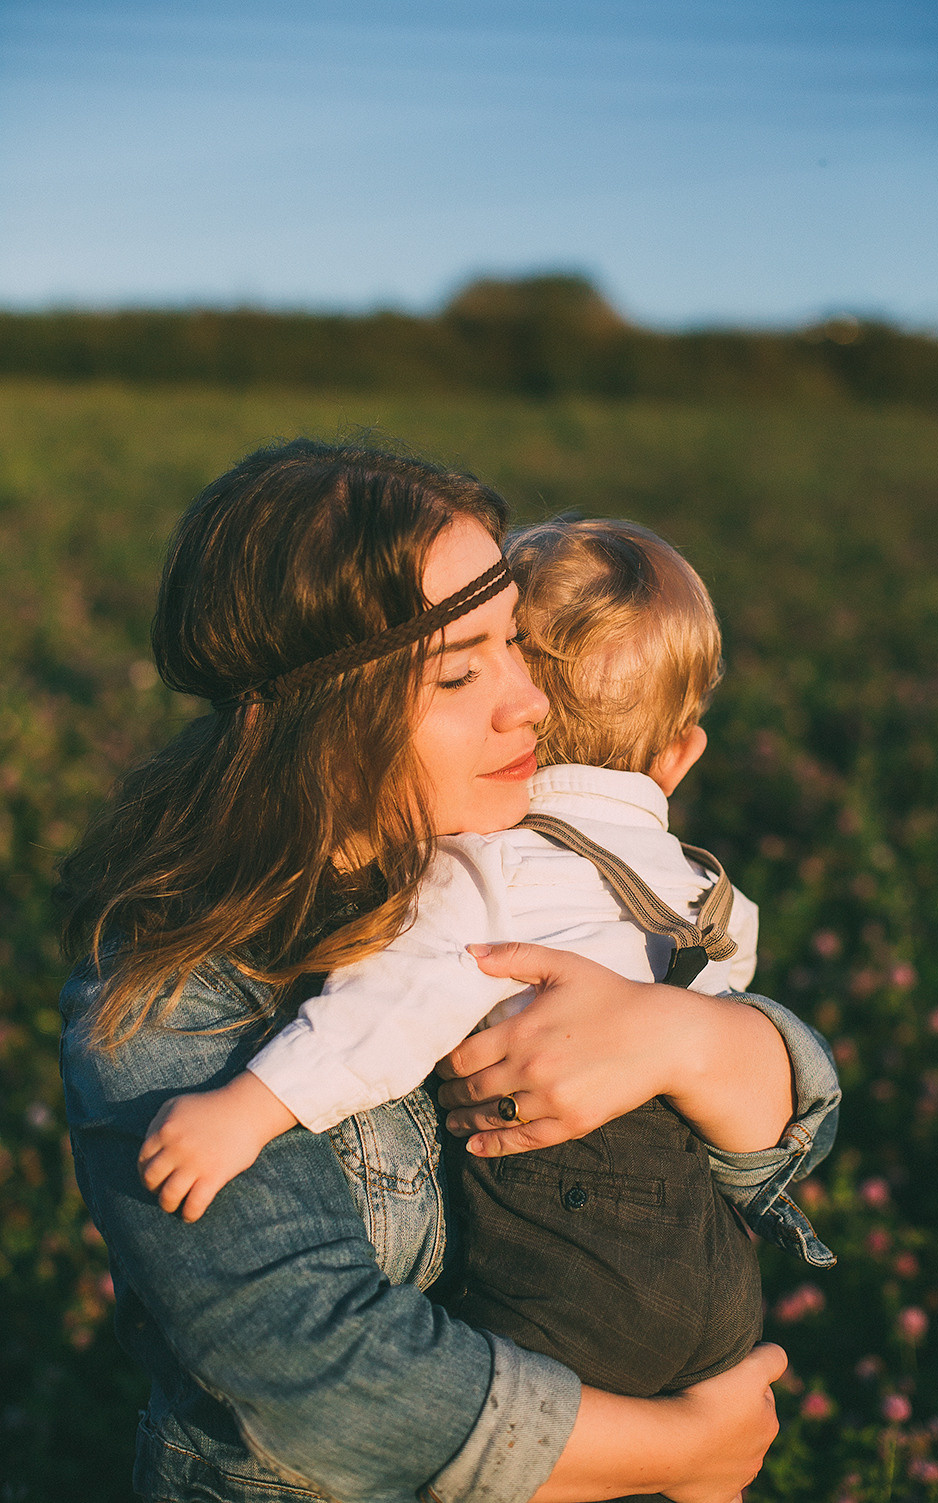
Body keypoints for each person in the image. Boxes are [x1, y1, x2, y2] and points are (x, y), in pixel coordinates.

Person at [59, 439, 835, 1503]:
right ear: (319, 723)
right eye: (462, 670)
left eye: (516, 644)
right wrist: (681, 1452)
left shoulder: (513, 860)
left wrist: (693, 1039)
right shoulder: (173, 997)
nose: (529, 703)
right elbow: (315, 1373)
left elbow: (769, 1160)